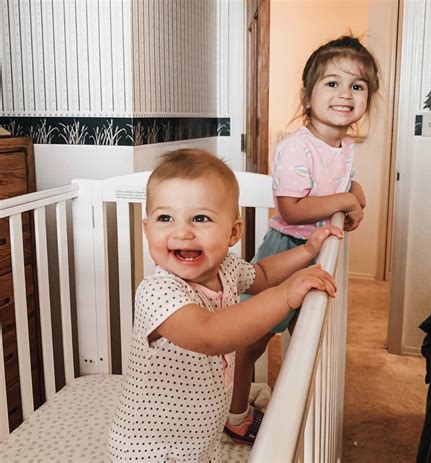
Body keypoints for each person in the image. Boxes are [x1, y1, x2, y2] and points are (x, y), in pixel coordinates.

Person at [107, 149, 342, 461]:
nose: (182, 231)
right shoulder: (158, 292)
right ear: (147, 229)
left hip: (199, 438)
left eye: (200, 218)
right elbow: (210, 334)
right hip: (149, 450)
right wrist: (286, 296)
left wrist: (305, 253)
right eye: (165, 218)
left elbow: (263, 273)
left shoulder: (227, 269)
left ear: (233, 232)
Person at [224, 35, 380, 444]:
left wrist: (355, 196)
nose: (345, 93)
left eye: (357, 86)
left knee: (303, 334)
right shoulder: (297, 146)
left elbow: (342, 184)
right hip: (287, 250)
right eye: (332, 83)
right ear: (307, 96)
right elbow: (292, 208)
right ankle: (235, 413)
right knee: (254, 337)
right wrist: (350, 199)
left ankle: (292, 410)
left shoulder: (343, 144)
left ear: (368, 98)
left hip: (317, 252)